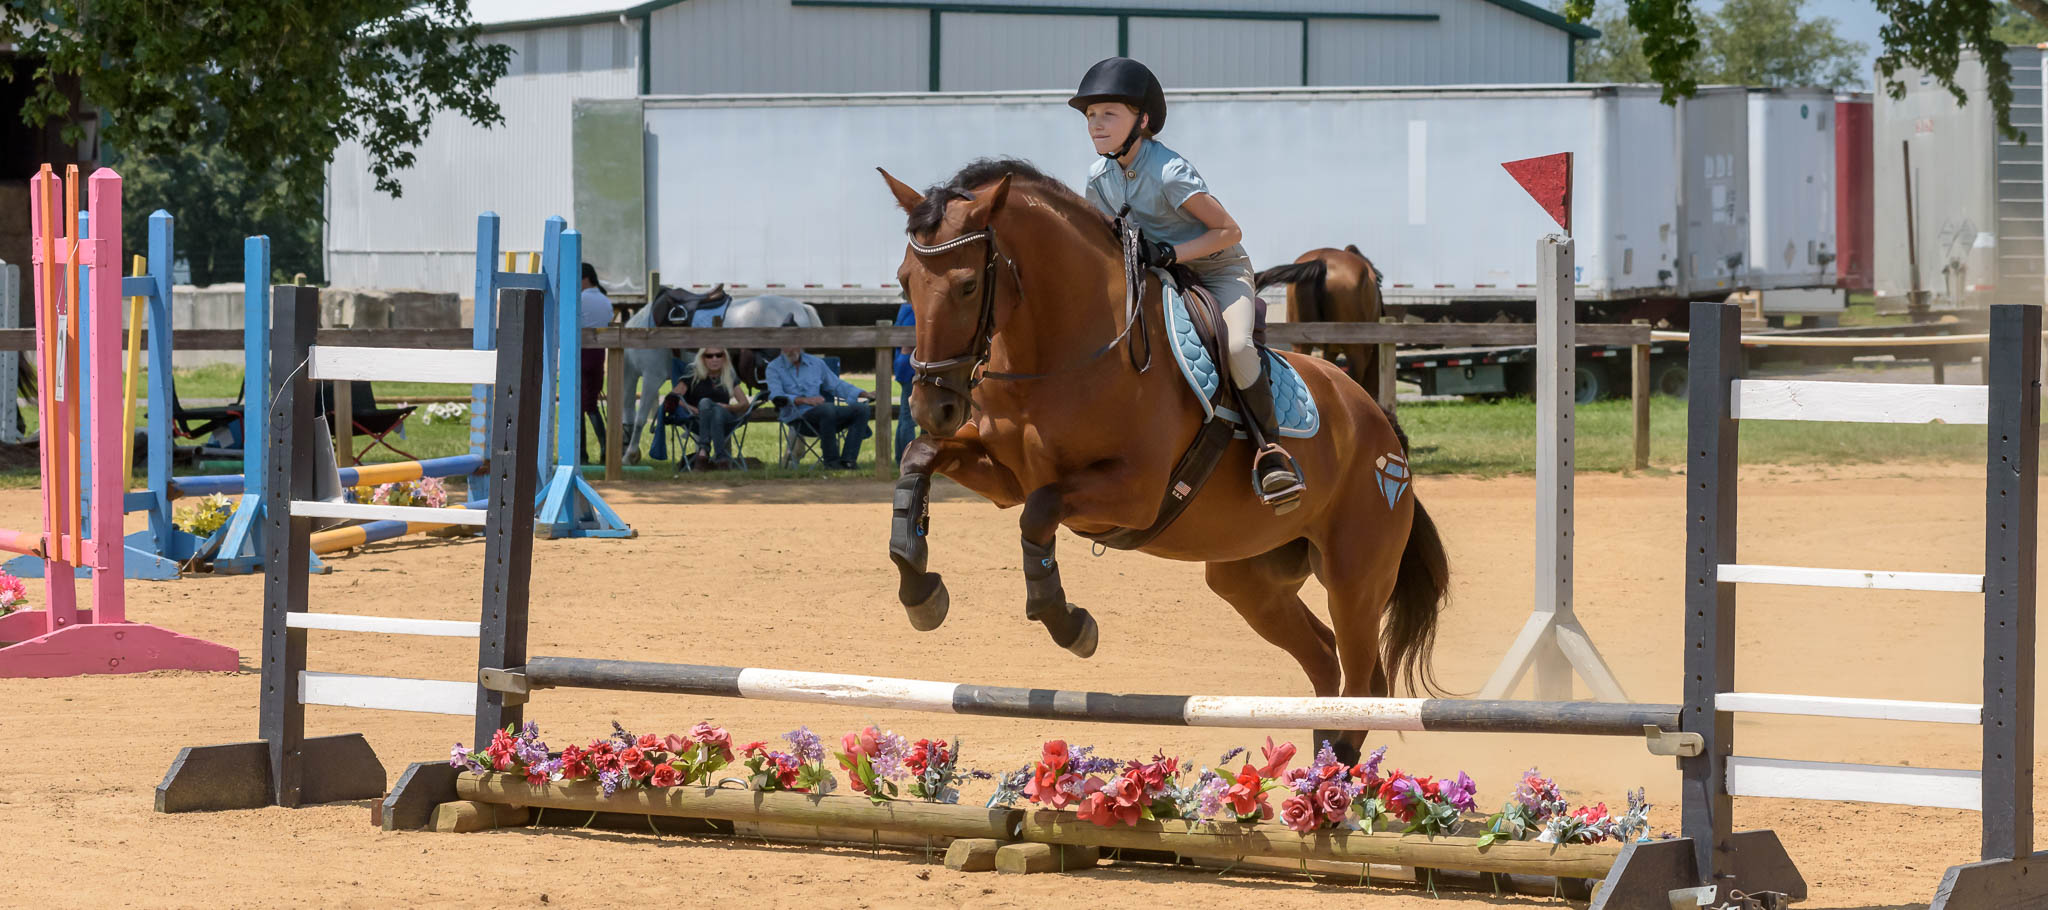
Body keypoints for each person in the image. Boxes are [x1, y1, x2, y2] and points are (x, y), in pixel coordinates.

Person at [1071, 57, 1304, 512]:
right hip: (1159, 278)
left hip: (1218, 273)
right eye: (1090, 116)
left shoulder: (1170, 172)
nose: (1096, 125)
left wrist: (1172, 253)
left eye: (1108, 114)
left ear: (1142, 120)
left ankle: (1271, 451)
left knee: (1237, 348)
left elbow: (1229, 232)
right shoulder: (1097, 180)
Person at [765, 346, 873, 470]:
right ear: (780, 345)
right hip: (799, 418)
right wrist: (805, 400)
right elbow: (776, 395)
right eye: (787, 345)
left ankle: (848, 461)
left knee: (861, 409)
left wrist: (864, 393)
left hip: (826, 417)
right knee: (827, 409)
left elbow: (837, 385)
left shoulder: (816, 363)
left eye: (795, 343)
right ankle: (831, 462)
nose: (791, 349)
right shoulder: (773, 367)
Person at [675, 347, 750, 469]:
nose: (714, 359)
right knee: (707, 405)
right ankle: (721, 459)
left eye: (718, 355)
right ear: (702, 358)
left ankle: (703, 451)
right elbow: (674, 397)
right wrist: (692, 409)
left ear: (724, 358)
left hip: (727, 419)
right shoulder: (693, 374)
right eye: (709, 356)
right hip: (697, 420)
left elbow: (744, 404)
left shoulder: (728, 375)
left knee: (716, 410)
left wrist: (728, 407)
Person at [578, 262, 613, 464]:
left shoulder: (580, 299)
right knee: (592, 405)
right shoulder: (605, 300)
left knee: (578, 406)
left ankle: (581, 454)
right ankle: (605, 450)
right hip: (599, 355)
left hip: (581, 354)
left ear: (585, 279)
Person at [891, 301, 919, 463]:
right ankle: (909, 458)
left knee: (904, 415)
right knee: (909, 416)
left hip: (903, 364)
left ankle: (900, 457)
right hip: (911, 365)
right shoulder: (913, 309)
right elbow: (908, 342)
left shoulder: (904, 309)